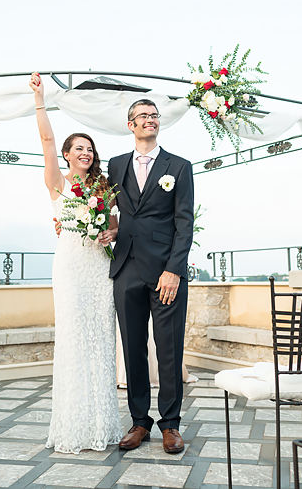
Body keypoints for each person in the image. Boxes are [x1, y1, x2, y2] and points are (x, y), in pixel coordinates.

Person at [31, 73, 123, 454]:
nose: (85, 152)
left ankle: (103, 423)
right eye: (78, 148)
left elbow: (118, 222)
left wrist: (111, 233)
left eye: (89, 148)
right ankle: (73, 426)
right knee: (73, 341)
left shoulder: (104, 188)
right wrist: (39, 98)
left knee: (101, 341)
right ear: (67, 154)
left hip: (99, 268)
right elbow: (46, 140)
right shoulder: (58, 184)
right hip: (70, 267)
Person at [109, 98, 195, 454]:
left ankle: (171, 425)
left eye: (154, 115)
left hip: (165, 273)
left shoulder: (179, 166)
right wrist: (95, 228)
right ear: (130, 125)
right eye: (143, 116)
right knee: (133, 350)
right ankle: (140, 422)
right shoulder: (115, 166)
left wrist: (174, 269)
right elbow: (103, 207)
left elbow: (184, 221)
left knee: (169, 350)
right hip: (126, 269)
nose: (150, 120)